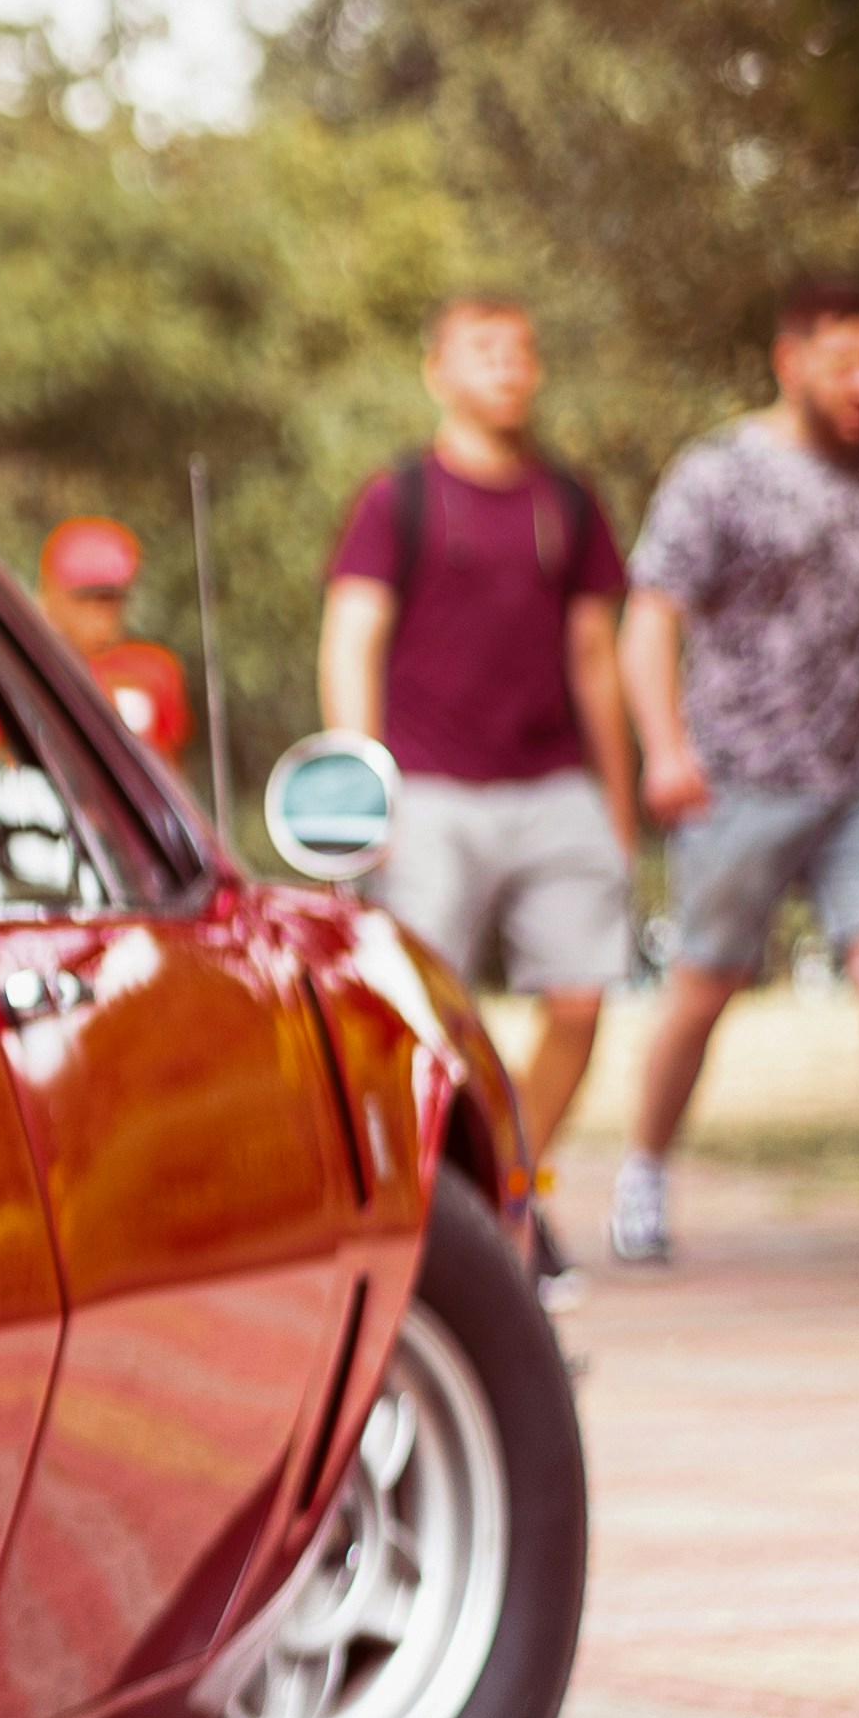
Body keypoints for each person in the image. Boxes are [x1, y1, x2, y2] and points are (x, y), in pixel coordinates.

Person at [607, 276, 859, 1296]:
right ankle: (643, 1175)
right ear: (791, 362)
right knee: (704, 985)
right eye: (844, 364)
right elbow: (652, 613)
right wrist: (664, 748)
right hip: (741, 772)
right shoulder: (717, 474)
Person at [319, 293, 632, 1191]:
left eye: (522, 350)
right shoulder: (398, 498)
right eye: (485, 348)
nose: (508, 365)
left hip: (551, 783)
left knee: (578, 1001)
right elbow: (351, 639)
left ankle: (508, 1184)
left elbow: (593, 656)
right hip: (428, 791)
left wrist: (616, 801)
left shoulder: (569, 503)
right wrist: (360, 793)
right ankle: (435, 1193)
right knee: (426, 1012)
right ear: (438, 372)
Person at [33, 518, 196, 765]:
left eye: (110, 597)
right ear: (52, 597)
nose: (101, 612)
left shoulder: (155, 671)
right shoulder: (25, 664)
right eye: (85, 597)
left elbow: (170, 772)